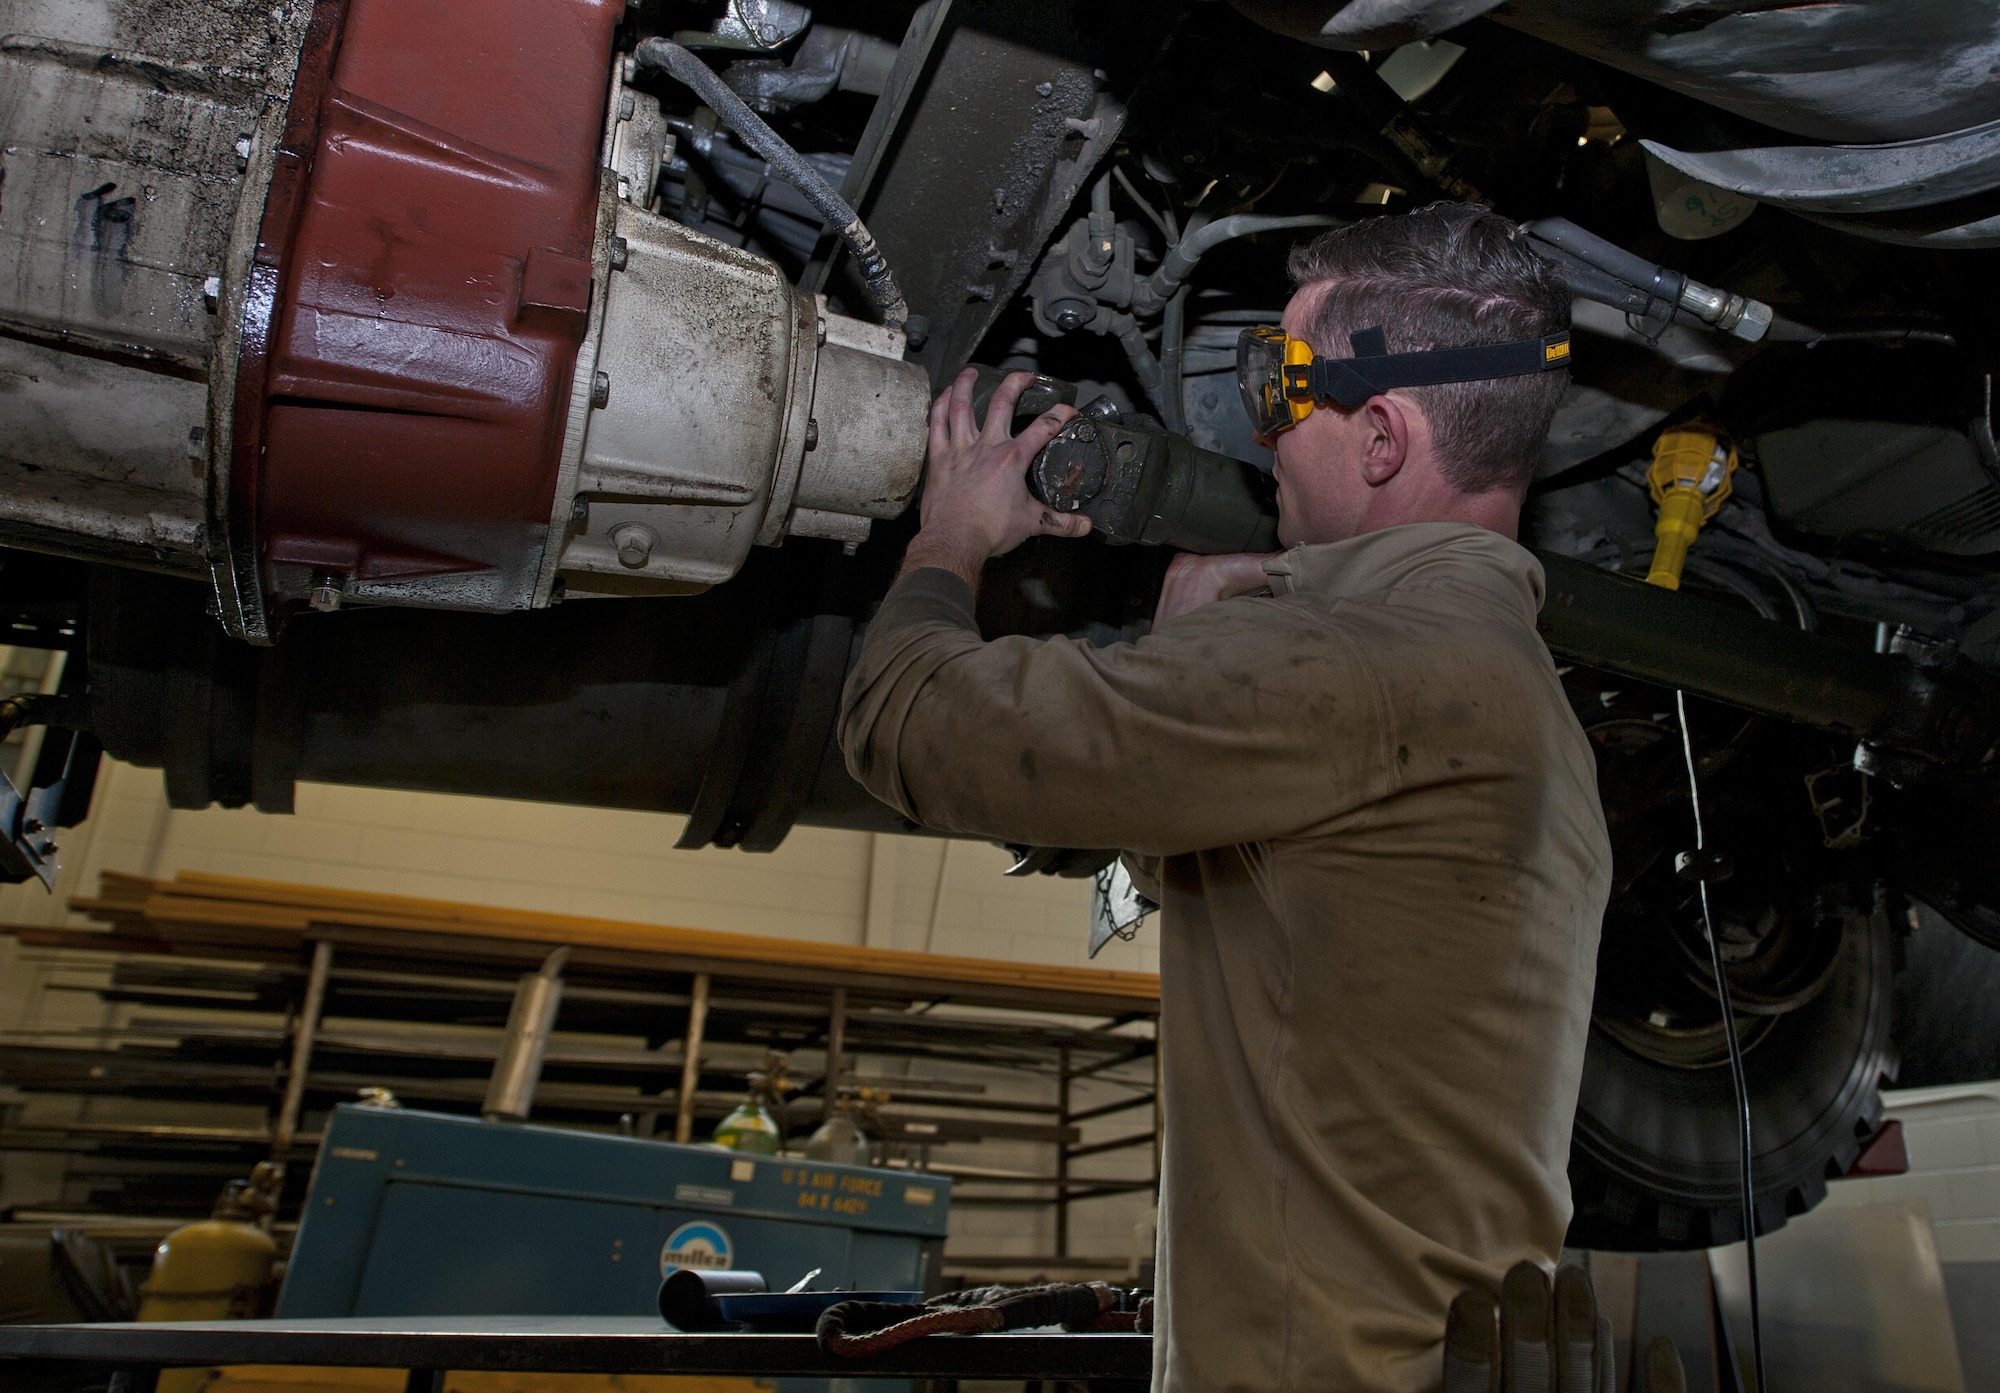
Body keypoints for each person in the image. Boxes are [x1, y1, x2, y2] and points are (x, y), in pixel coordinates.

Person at [837, 202, 1612, 1393]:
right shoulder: (1519, 697)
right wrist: (1188, 663)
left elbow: (907, 725)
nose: (1265, 440)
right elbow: (1242, 907)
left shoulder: (1354, 670)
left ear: (1383, 438)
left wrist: (951, 537)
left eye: (1284, 391)